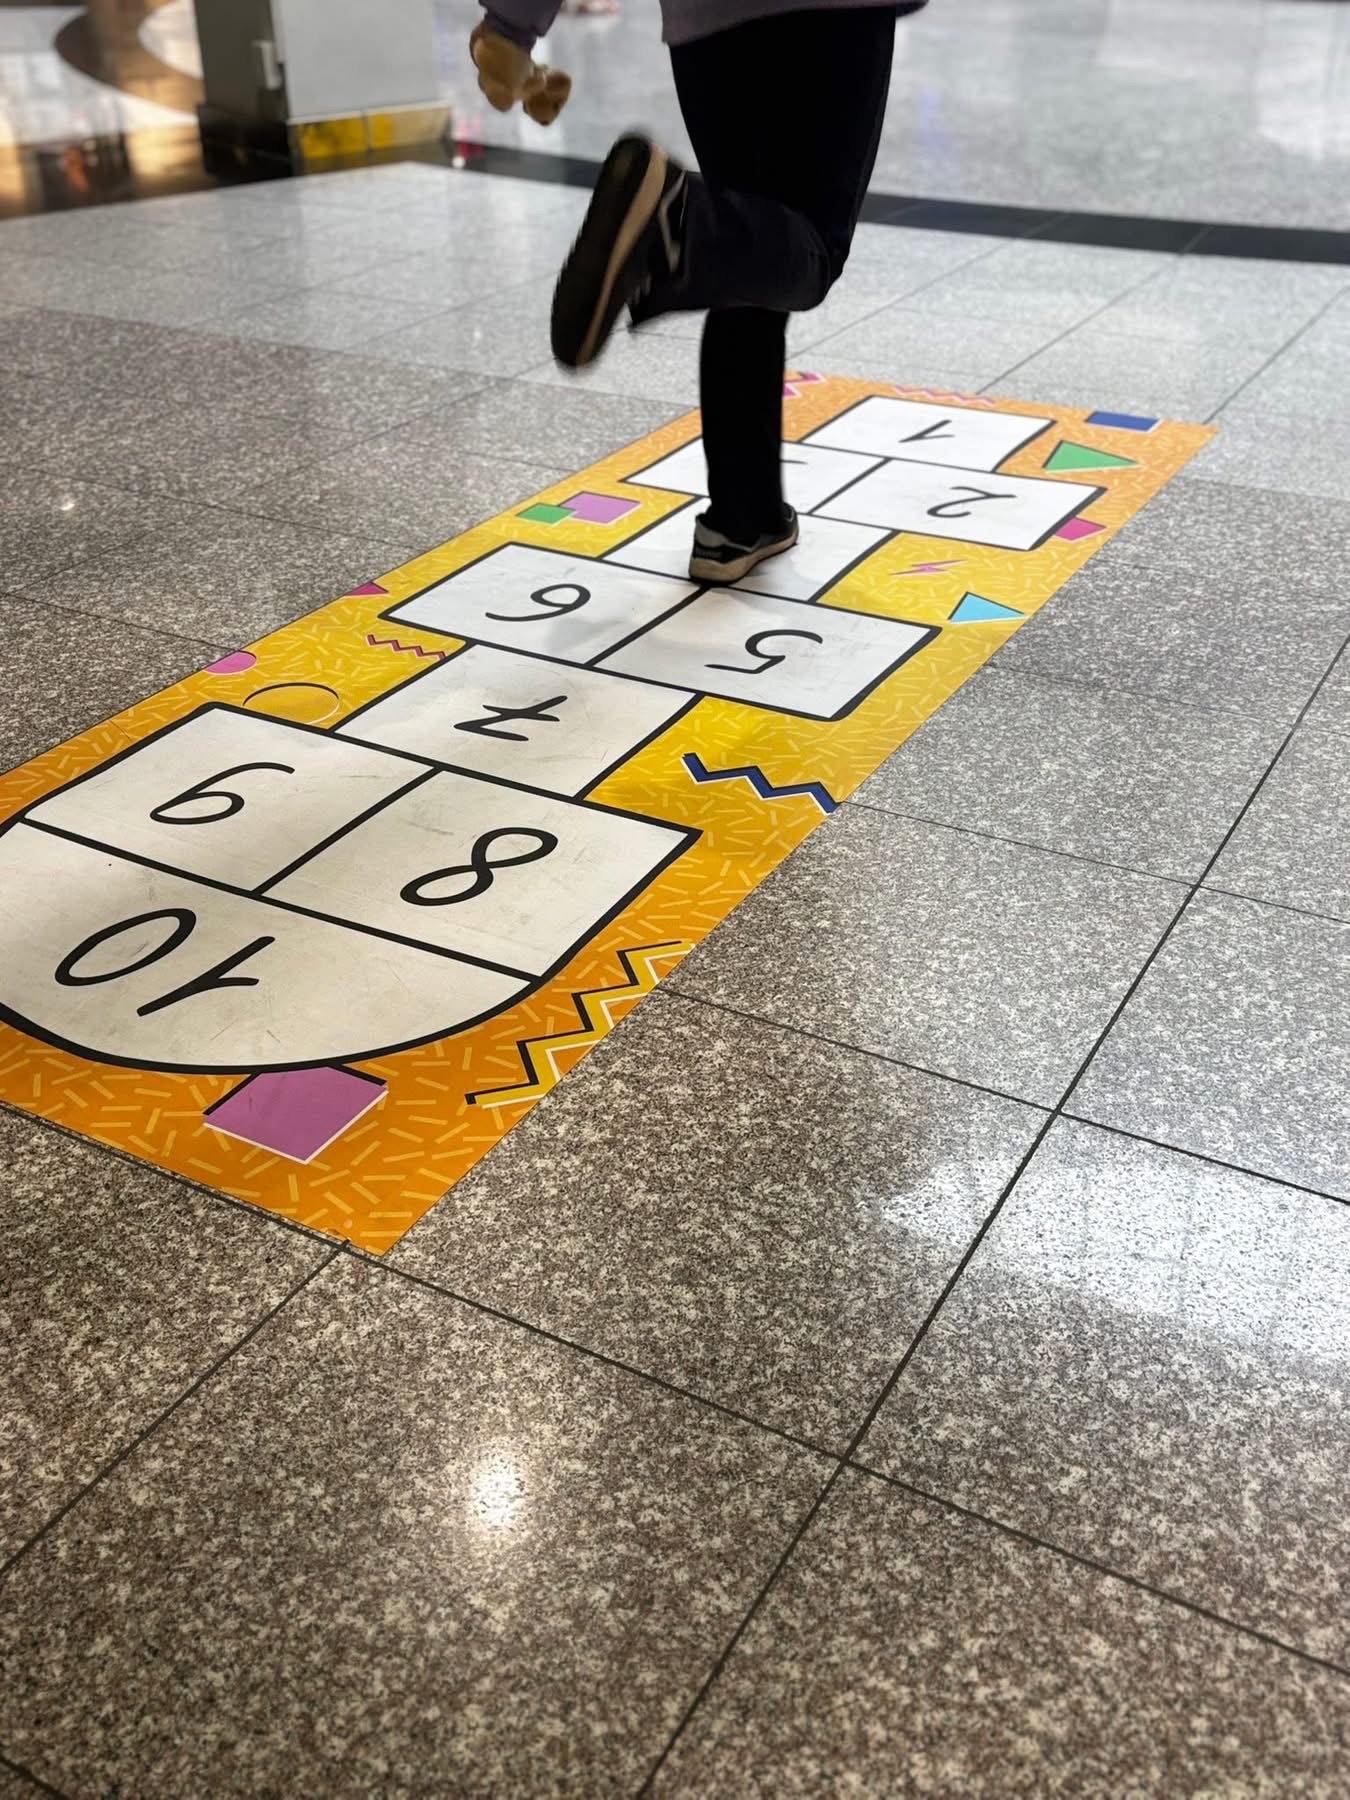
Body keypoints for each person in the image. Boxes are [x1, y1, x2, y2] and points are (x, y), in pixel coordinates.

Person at [472, 1, 916, 584]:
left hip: (705, 25)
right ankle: (678, 217)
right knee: (808, 248)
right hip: (829, 14)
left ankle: (743, 517)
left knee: (744, 239)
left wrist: (510, 24)